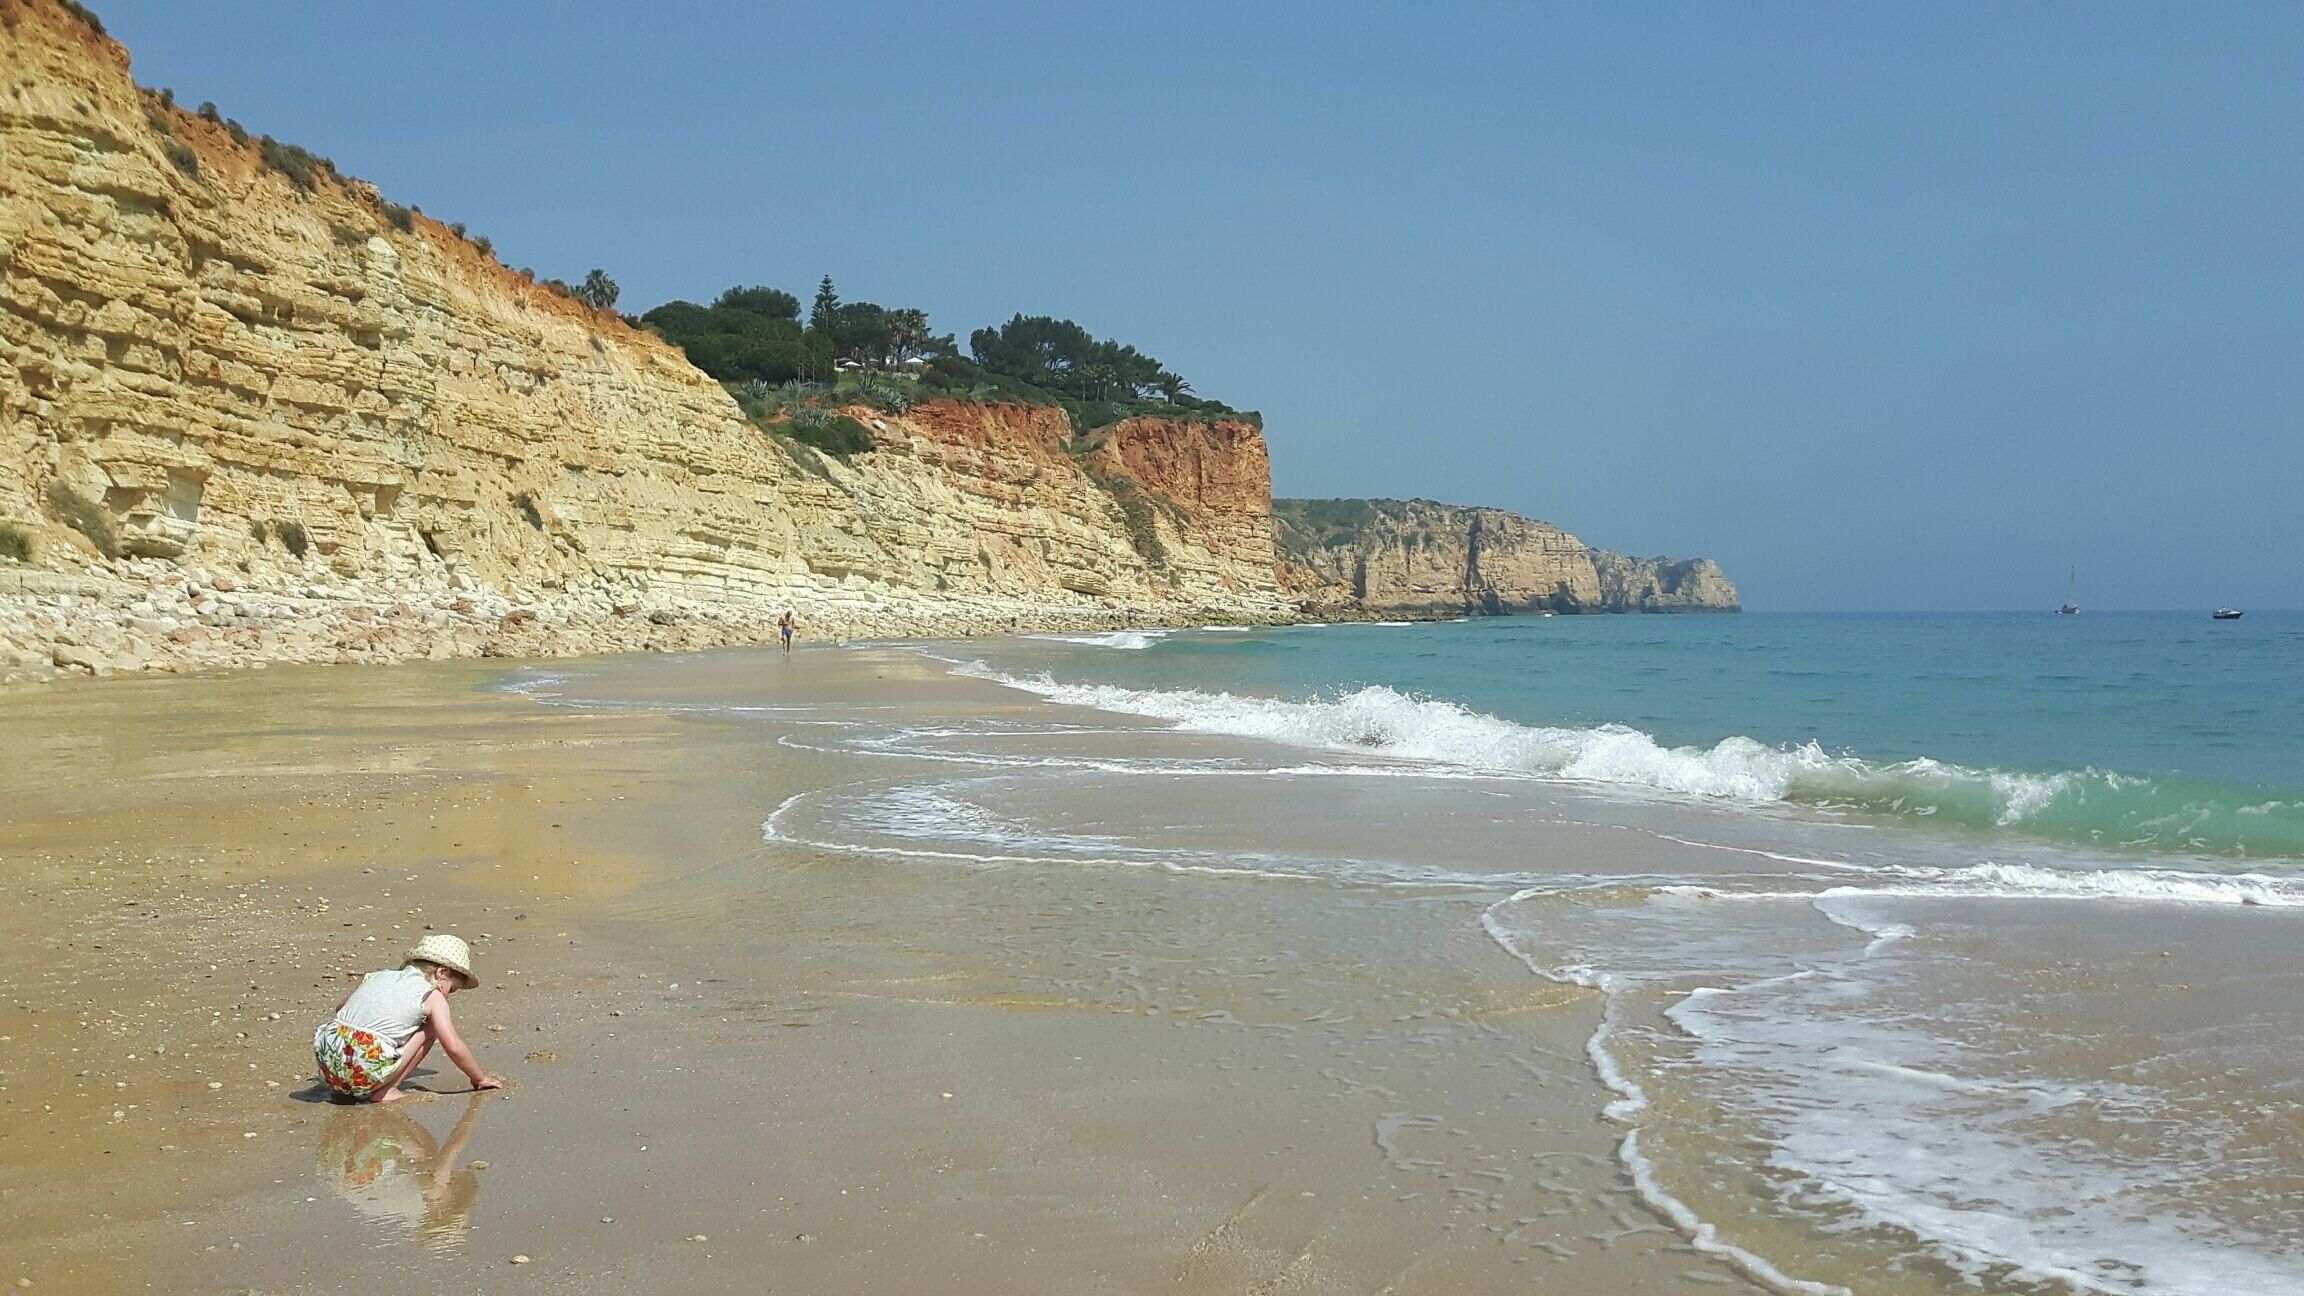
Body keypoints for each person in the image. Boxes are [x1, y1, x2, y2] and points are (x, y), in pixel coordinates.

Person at [314, 933, 502, 1103]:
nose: (448, 995)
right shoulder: (432, 995)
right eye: (451, 988)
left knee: (363, 1034)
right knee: (431, 1027)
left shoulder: (379, 976)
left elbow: (340, 1008)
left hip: (328, 1066)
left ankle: (343, 1089)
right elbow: (453, 1045)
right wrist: (479, 1078)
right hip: (364, 1069)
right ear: (442, 972)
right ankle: (387, 1090)